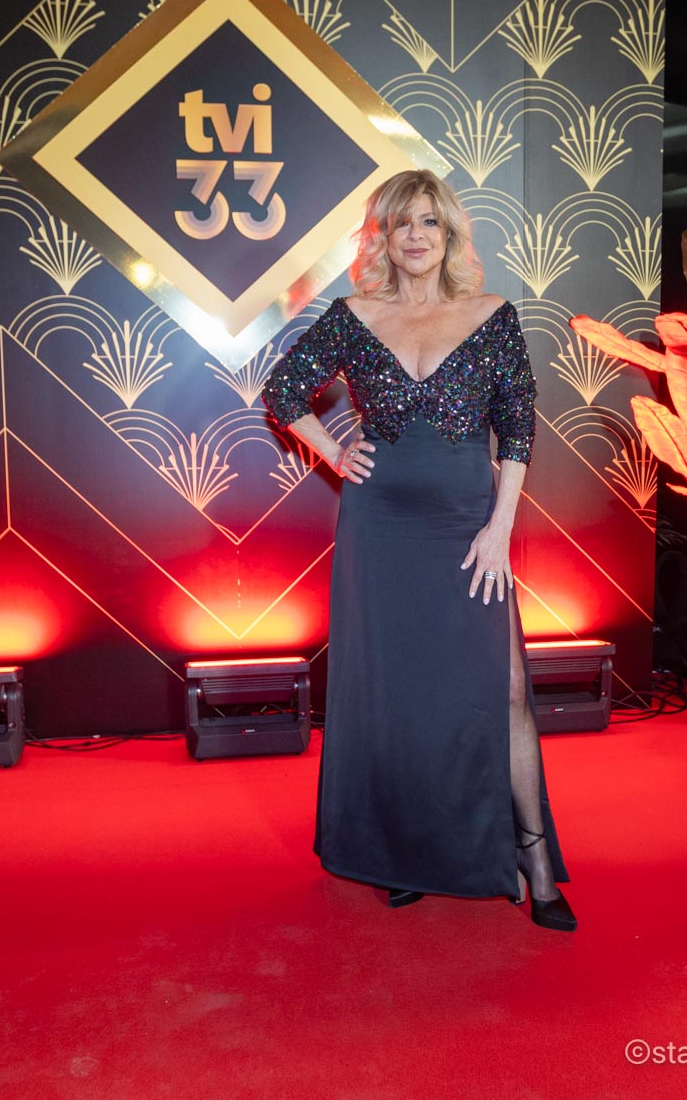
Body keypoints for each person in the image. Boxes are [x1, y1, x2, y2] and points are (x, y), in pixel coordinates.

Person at [261, 169, 575, 931]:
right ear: (382, 237)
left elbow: (518, 426)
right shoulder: (353, 315)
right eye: (401, 222)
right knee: (396, 692)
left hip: (468, 524)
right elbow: (283, 391)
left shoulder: (492, 315)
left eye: (429, 221)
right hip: (380, 527)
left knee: (504, 688)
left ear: (449, 234)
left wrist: (498, 527)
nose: (415, 236)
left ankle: (533, 858)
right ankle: (405, 853)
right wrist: (334, 454)